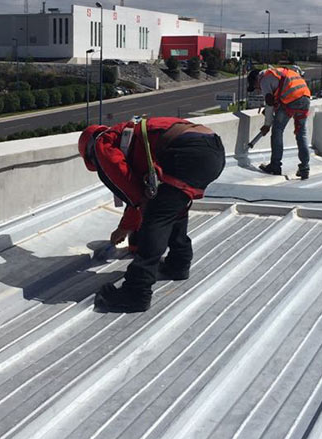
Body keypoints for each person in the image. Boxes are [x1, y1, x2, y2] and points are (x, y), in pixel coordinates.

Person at [78, 116, 225, 312]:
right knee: (172, 204)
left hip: (190, 151)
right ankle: (178, 263)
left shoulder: (102, 144)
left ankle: (136, 292)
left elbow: (133, 191)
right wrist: (129, 223)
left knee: (156, 217)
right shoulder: (129, 134)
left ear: (89, 155)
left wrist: (128, 226)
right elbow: (138, 187)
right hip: (213, 148)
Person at [247, 65, 312, 179]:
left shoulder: (264, 79)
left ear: (256, 80)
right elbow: (280, 92)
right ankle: (304, 167)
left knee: (277, 131)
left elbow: (269, 102)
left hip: (291, 100)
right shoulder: (278, 72)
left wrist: (267, 124)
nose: (258, 89)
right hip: (305, 97)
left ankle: (275, 165)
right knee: (301, 133)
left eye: (255, 87)